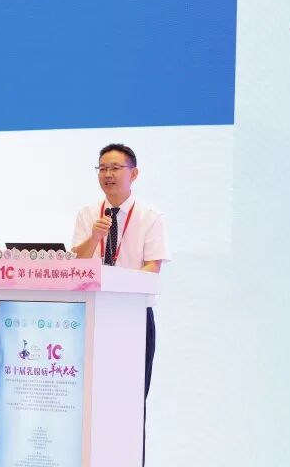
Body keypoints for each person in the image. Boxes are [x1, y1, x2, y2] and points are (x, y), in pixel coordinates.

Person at [71, 143, 170, 465]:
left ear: (134, 173)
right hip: (93, 318)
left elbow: (152, 267)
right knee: (92, 399)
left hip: (133, 320)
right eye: (102, 168)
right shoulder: (88, 215)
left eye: (115, 168)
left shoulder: (150, 217)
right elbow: (76, 263)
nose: (108, 175)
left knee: (130, 400)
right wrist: (94, 239)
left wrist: (116, 288)